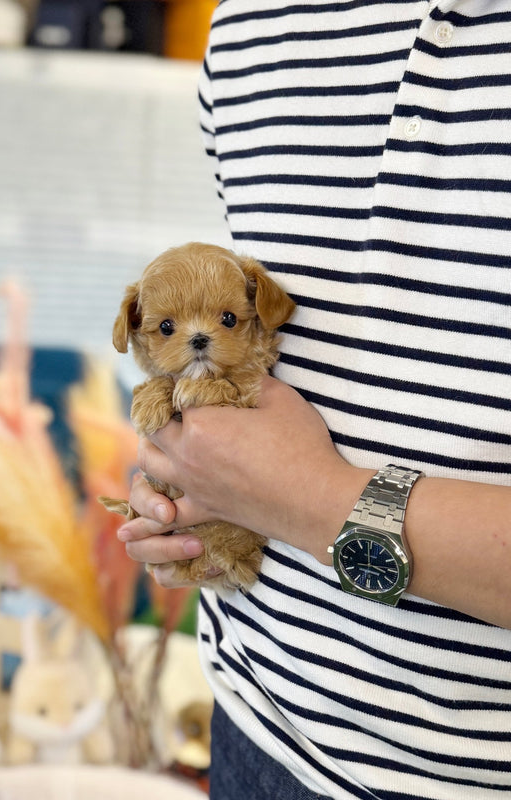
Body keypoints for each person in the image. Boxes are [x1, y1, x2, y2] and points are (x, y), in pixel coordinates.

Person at [116, 2, 511, 798]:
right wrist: (198, 474)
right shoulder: (249, 23)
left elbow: (296, 481)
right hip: (255, 724)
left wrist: (312, 499)